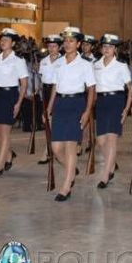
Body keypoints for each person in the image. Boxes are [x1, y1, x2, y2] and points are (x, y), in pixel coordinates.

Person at [46, 26, 96, 202]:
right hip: (60, 103)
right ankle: (71, 169)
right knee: (56, 147)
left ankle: (66, 186)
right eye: (65, 41)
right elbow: (54, 87)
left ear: (79, 43)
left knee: (70, 146)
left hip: (76, 104)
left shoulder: (85, 64)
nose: (67, 44)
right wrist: (49, 108)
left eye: (71, 41)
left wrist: (87, 112)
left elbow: (91, 89)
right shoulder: (58, 62)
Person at [92, 33, 132, 189]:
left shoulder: (121, 66)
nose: (107, 49)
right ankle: (112, 161)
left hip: (116, 101)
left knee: (111, 138)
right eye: (104, 46)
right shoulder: (96, 64)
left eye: (110, 46)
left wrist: (126, 108)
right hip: (101, 102)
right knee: (101, 140)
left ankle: (105, 175)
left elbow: (131, 88)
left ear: (115, 49)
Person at [0, 28, 28, 177]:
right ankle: (9, 154)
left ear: (13, 42)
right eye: (2, 39)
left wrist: (18, 102)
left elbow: (24, 83)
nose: (3, 42)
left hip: (10, 95)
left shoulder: (18, 61)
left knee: (4, 133)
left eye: (6, 40)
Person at [37, 34, 63, 165]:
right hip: (46, 92)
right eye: (49, 46)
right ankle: (50, 149)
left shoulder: (63, 61)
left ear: (59, 47)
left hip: (58, 92)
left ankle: (48, 151)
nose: (52, 49)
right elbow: (43, 81)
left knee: (54, 122)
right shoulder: (44, 61)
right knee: (47, 121)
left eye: (54, 46)